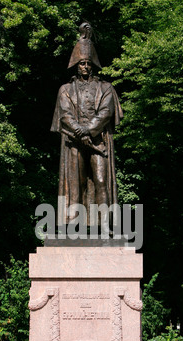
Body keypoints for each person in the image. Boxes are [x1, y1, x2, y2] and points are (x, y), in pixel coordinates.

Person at [51, 23, 123, 228]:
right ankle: (73, 227)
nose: (86, 67)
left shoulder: (106, 87)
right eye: (82, 63)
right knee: (75, 184)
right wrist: (78, 131)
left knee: (101, 180)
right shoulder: (65, 89)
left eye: (88, 63)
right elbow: (65, 114)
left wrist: (88, 130)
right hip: (74, 141)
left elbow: (106, 112)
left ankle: (106, 225)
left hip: (98, 141)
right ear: (76, 64)